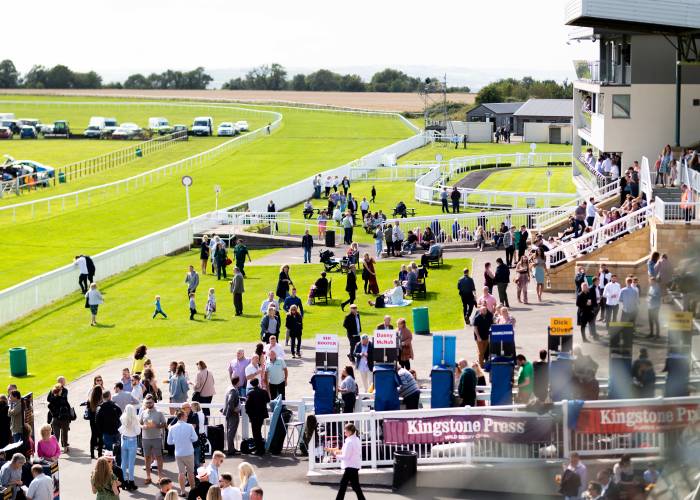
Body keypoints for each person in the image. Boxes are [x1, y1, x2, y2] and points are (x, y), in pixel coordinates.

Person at [326, 423, 366, 500]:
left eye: (345, 431)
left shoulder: (349, 442)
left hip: (350, 466)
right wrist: (335, 451)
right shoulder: (356, 439)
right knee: (355, 487)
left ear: (350, 432)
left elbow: (345, 456)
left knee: (343, 485)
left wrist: (335, 455)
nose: (344, 432)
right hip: (354, 465)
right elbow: (347, 452)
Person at [167, 410, 198, 497]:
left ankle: (182, 491)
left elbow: (169, 442)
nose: (187, 417)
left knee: (181, 473)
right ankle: (193, 491)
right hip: (189, 452)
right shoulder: (189, 426)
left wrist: (177, 441)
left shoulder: (172, 428)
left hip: (178, 453)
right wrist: (188, 440)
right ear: (182, 417)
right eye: (186, 416)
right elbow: (195, 438)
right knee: (191, 473)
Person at [140, 395, 166, 485]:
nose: (149, 404)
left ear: (153, 402)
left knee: (159, 457)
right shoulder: (143, 412)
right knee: (147, 458)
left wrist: (157, 425)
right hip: (145, 438)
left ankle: (160, 477)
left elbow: (164, 424)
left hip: (156, 438)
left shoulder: (159, 412)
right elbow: (139, 424)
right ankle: (148, 477)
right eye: (147, 403)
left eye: (150, 402)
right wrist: (143, 426)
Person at [244, 379, 270, 456]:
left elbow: (247, 406)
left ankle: (259, 450)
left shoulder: (250, 393)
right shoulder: (264, 391)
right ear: (258, 383)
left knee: (256, 433)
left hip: (254, 416)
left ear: (252, 385)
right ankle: (261, 449)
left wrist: (249, 413)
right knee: (258, 432)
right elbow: (268, 400)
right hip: (261, 415)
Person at [118, 404, 140, 491]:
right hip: (132, 441)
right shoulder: (135, 419)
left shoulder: (123, 418)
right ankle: (131, 481)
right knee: (131, 463)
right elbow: (138, 432)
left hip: (124, 440)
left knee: (124, 462)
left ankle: (124, 481)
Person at [46, 382, 71, 453]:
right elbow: (68, 408)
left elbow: (52, 412)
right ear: (60, 391)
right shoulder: (63, 400)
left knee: (56, 435)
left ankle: (55, 449)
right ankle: (65, 447)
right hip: (64, 419)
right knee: (65, 433)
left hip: (55, 420)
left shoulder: (51, 403)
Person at [222, 376, 241, 456]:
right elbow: (230, 401)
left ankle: (231, 448)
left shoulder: (230, 388)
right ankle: (231, 450)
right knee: (231, 432)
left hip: (229, 413)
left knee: (231, 432)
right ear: (237, 382)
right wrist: (234, 410)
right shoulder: (233, 390)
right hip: (232, 414)